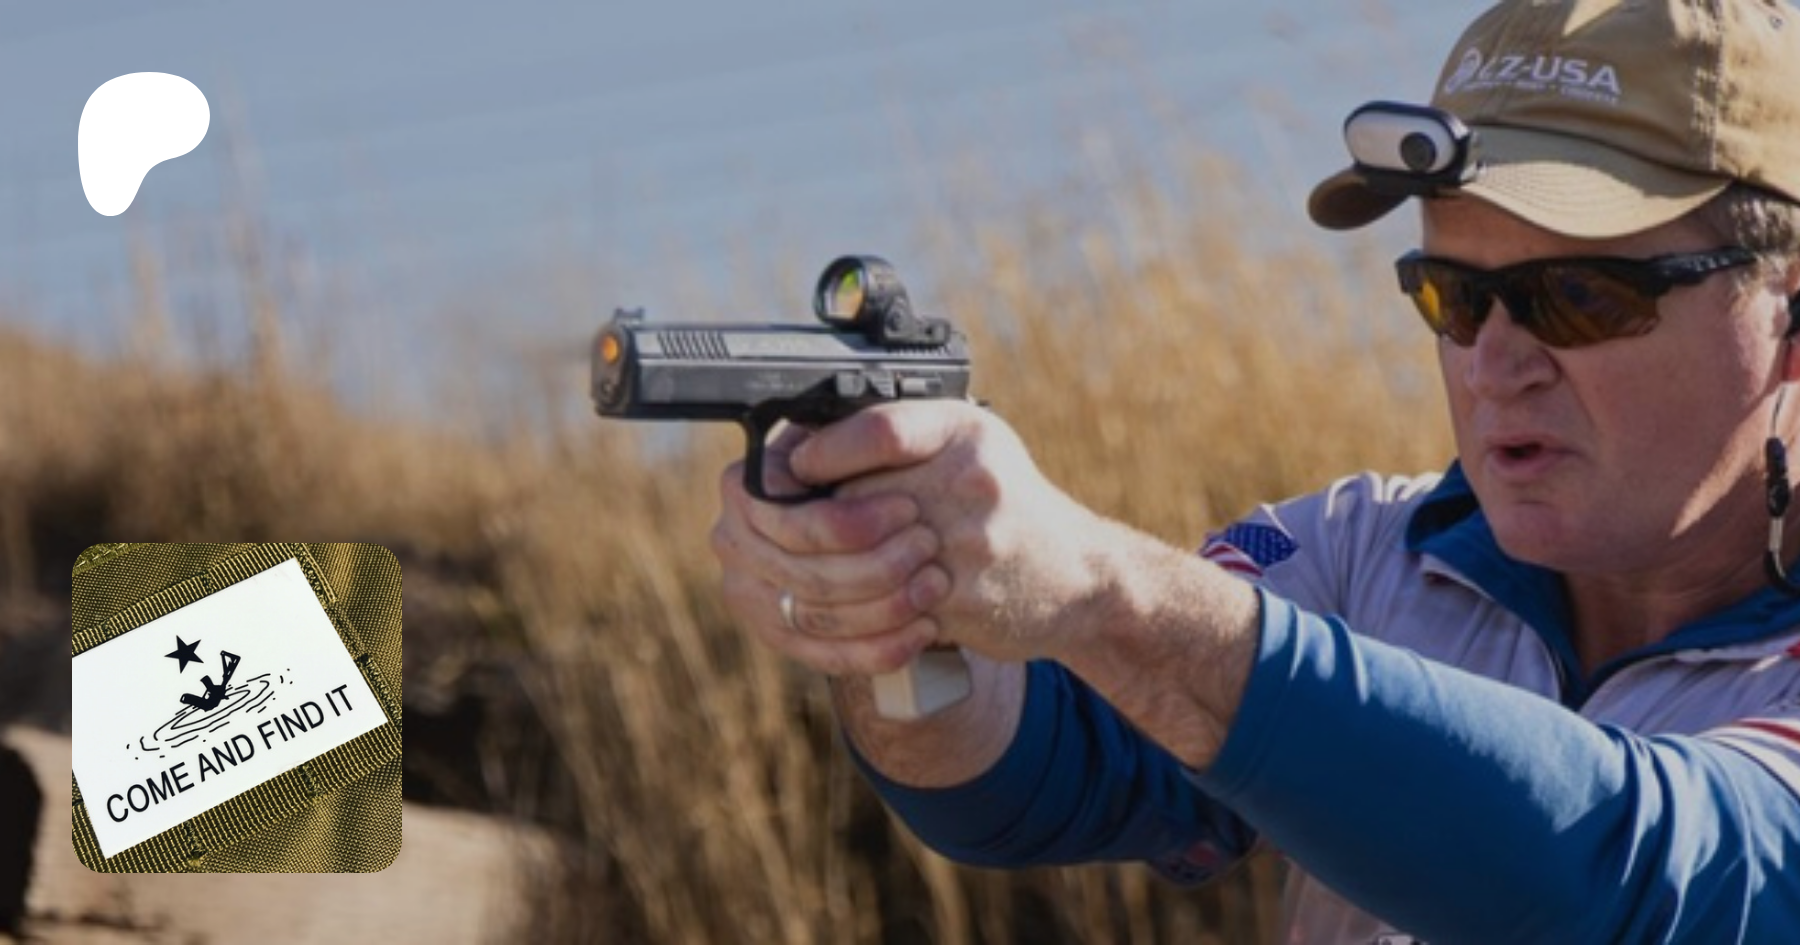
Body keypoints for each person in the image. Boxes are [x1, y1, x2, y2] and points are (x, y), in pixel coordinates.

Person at [708, 0, 1800, 940]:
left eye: (1582, 299)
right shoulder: (1355, 550)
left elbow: (1625, 875)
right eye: (1453, 296)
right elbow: (1031, 773)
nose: (1491, 365)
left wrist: (1106, 594)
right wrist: (897, 607)